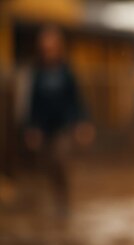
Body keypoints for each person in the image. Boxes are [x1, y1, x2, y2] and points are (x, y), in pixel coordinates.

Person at [24, 25, 93, 219]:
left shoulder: (66, 70)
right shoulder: (37, 71)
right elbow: (33, 102)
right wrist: (32, 127)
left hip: (63, 126)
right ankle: (57, 199)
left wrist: (82, 122)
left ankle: (64, 202)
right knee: (48, 166)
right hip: (44, 128)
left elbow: (76, 99)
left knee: (60, 160)